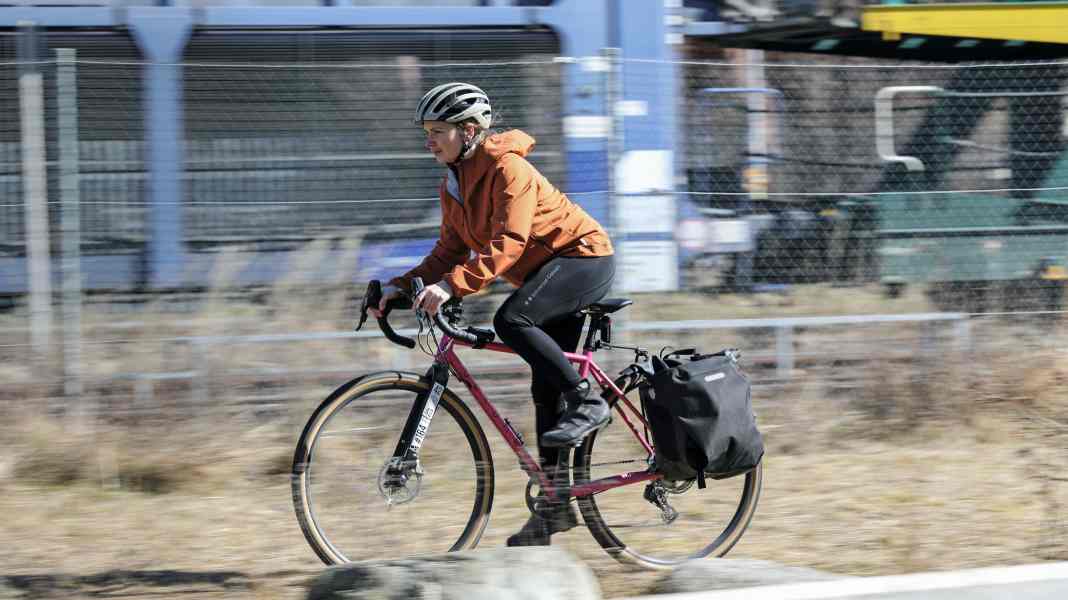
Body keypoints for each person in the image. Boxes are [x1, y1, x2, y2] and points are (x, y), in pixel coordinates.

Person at [371, 82, 616, 546]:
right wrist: (400, 287)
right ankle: (555, 508)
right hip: (543, 277)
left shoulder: (509, 169)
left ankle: (588, 400)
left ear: (468, 132)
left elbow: (510, 242)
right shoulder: (454, 182)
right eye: (426, 131)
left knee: (511, 321)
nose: (429, 141)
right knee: (545, 390)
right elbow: (448, 250)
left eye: (437, 131)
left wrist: (451, 287)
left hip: (583, 259)